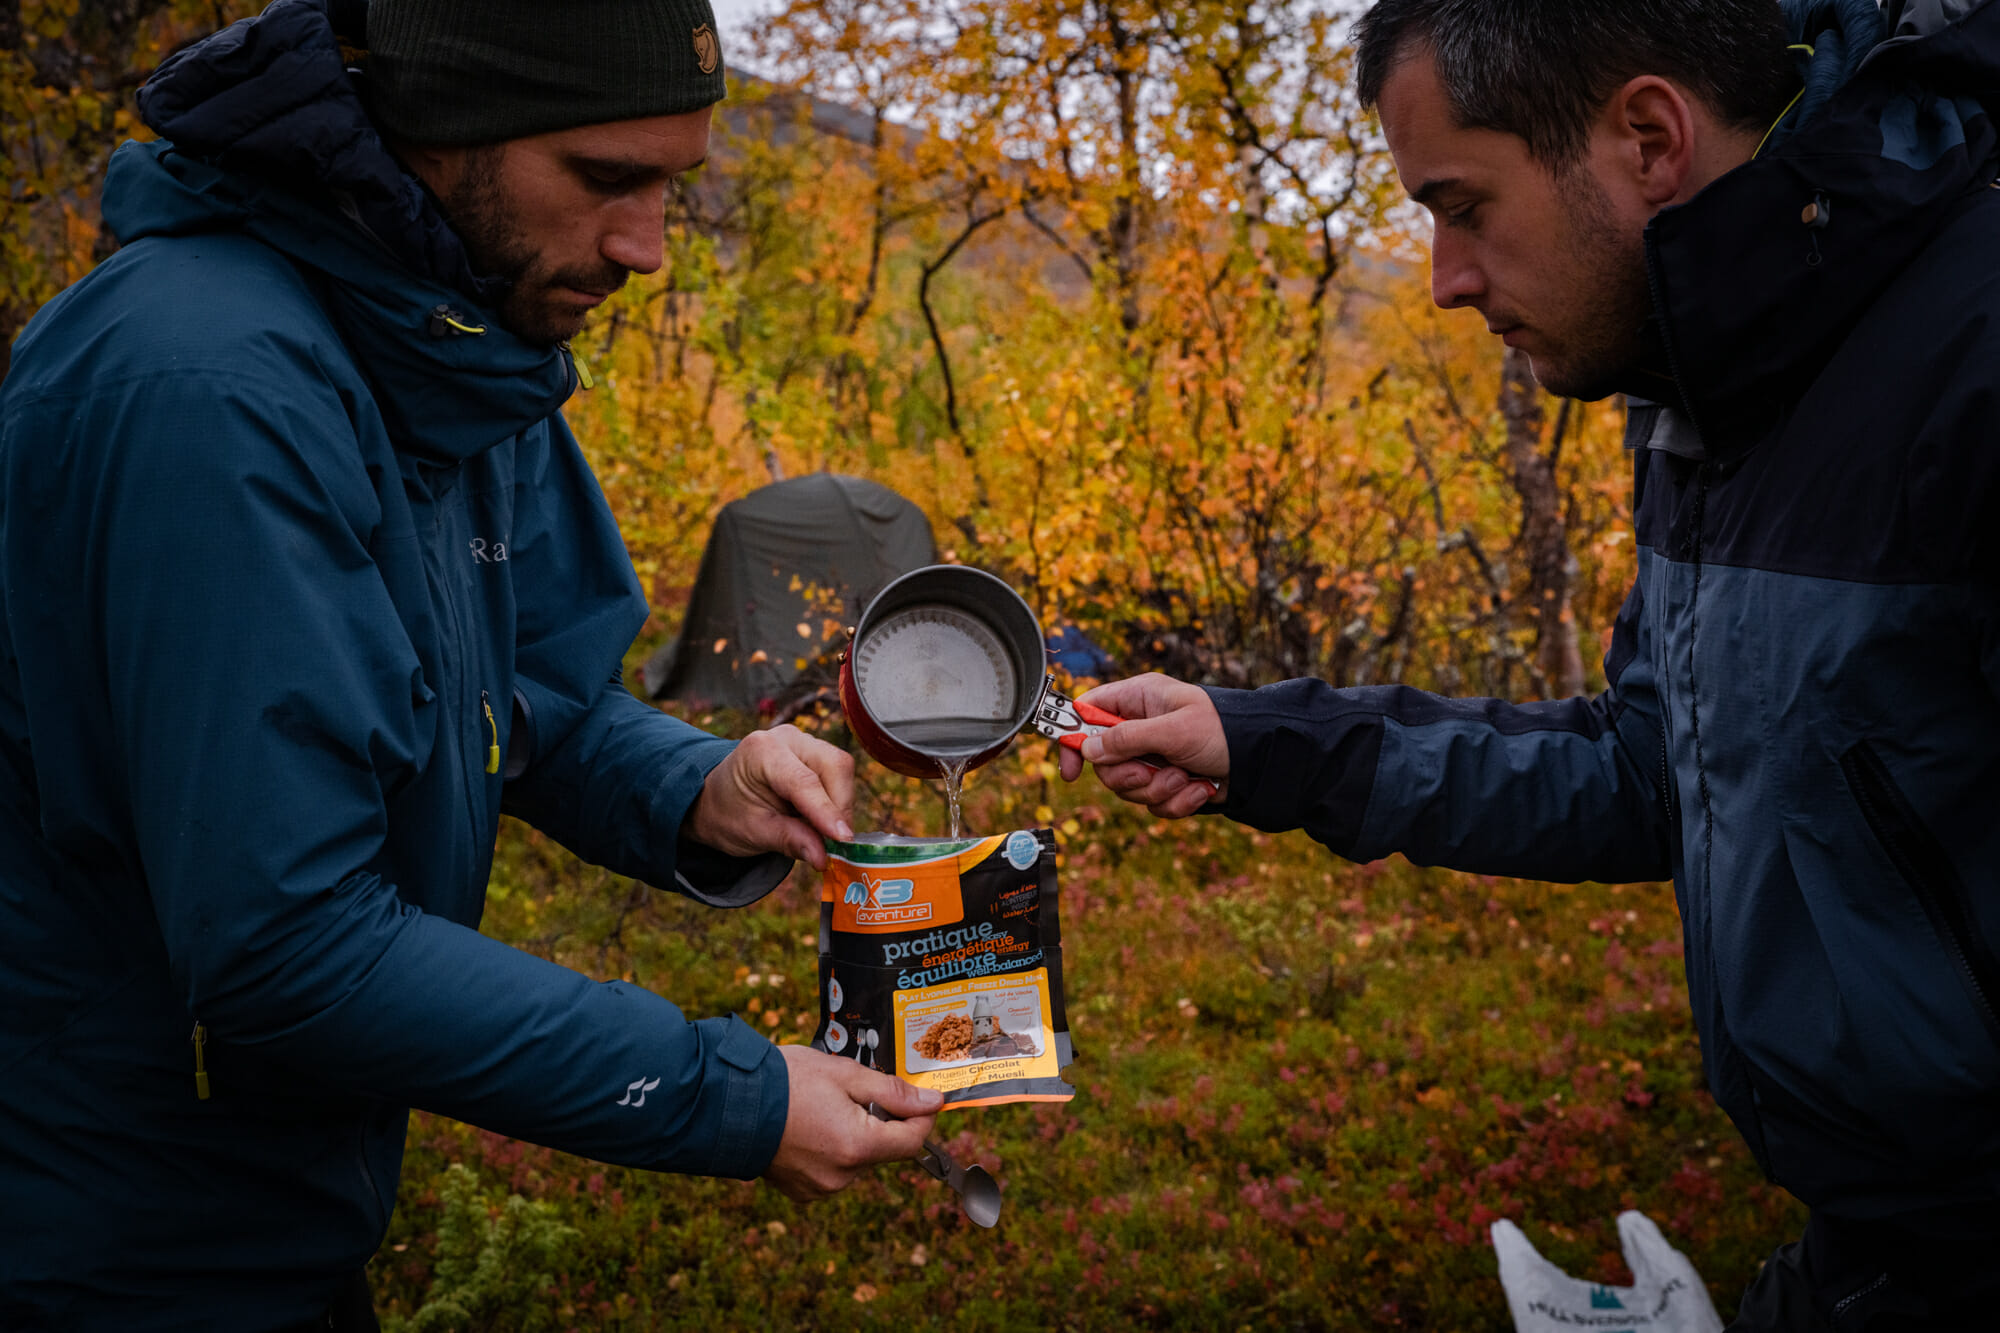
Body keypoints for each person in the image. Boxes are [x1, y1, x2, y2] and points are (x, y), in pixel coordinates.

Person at [0, 1, 939, 1327]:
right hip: (102, 1236)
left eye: (671, 185)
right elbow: (286, 939)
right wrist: (732, 1095)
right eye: (606, 180)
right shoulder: (214, 393)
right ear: (441, 131)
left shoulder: (451, 343)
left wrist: (701, 783)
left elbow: (529, 700)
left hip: (270, 1204)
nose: (647, 247)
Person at [1063, 0, 2000, 1326]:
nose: (1443, 276)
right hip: (1879, 1240)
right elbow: (1650, 764)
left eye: (1463, 204)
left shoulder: (1969, 358)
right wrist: (1260, 737)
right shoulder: (1704, 381)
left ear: (1649, 137)